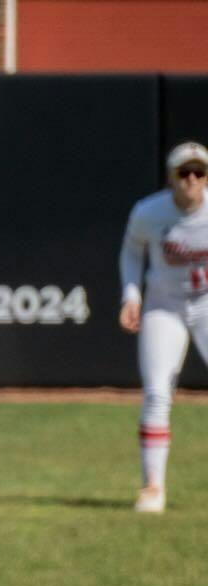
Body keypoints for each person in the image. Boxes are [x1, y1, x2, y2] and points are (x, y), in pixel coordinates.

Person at [118, 139, 208, 515]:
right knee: (156, 393)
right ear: (170, 177)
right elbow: (131, 253)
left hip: (206, 303)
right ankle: (152, 487)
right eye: (183, 172)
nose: (190, 179)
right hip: (163, 306)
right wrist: (131, 296)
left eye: (198, 172)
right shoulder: (149, 212)